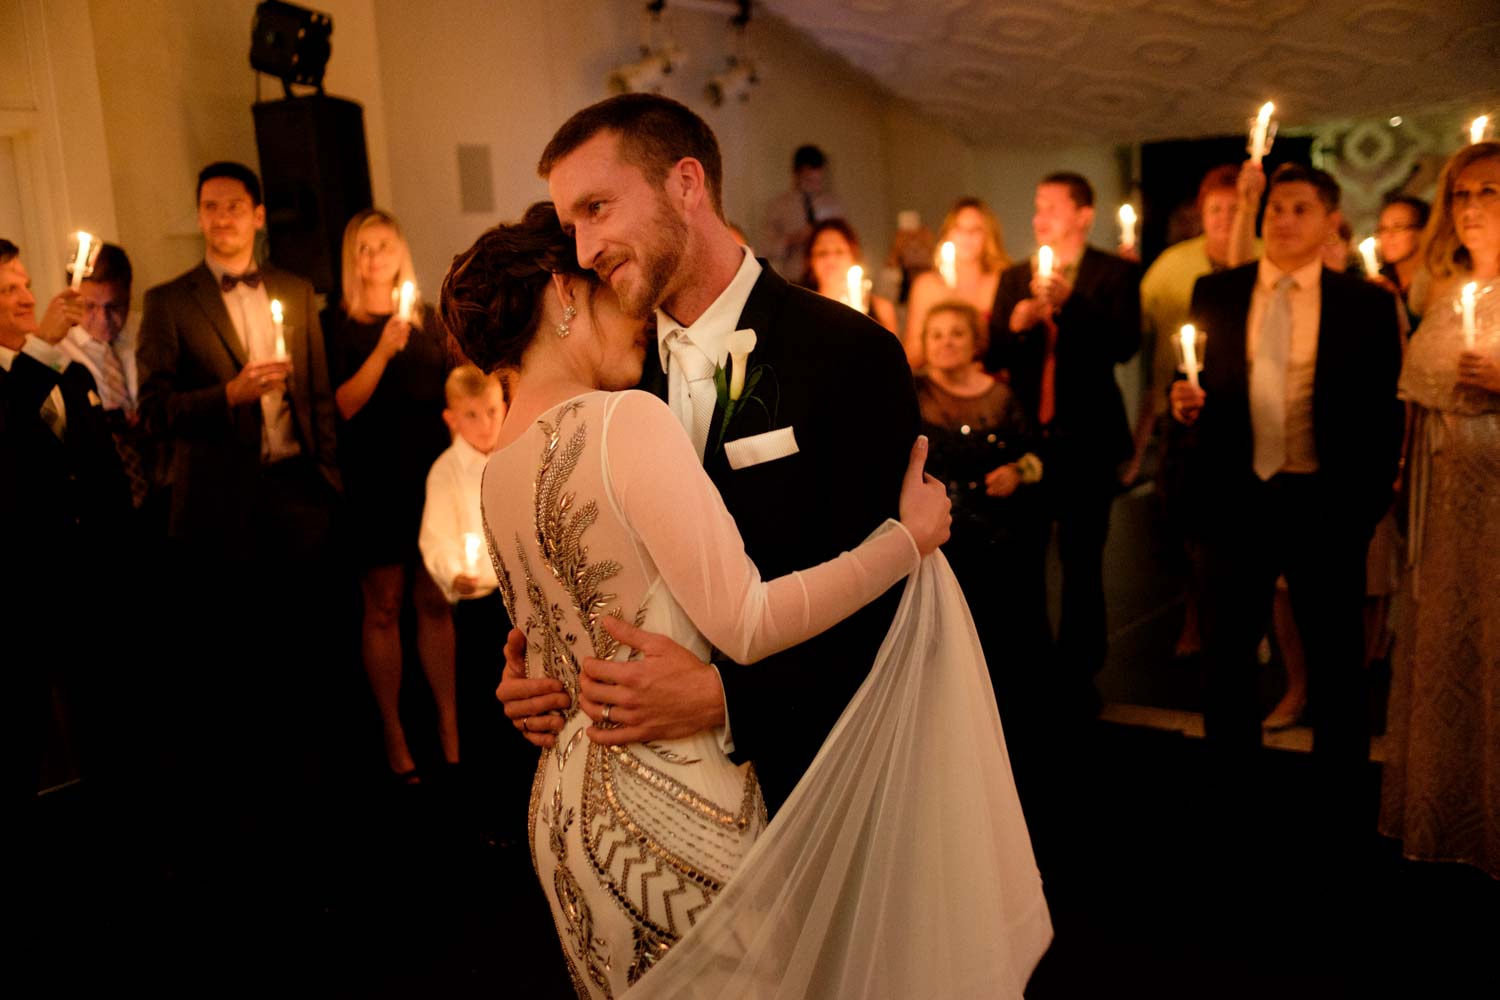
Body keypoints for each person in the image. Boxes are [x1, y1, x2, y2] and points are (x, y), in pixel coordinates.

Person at [491, 95, 1049, 996]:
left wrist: (724, 696)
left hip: (833, 786)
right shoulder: (613, 386)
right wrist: (542, 674)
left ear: (686, 184)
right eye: (569, 224)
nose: (584, 250)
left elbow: (895, 614)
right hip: (661, 829)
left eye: (598, 209)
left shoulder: (848, 353)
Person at [1169, 163, 1403, 840]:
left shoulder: (1362, 304)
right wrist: (1181, 405)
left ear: (1331, 220)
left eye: (1302, 208)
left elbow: (1383, 413)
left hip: (1322, 501)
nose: (1284, 219)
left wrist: (1363, 506)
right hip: (1234, 499)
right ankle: (1232, 798)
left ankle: (1338, 809)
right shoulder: (1217, 290)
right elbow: (1187, 387)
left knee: (1335, 661)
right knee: (1227, 656)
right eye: (1276, 206)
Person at [136, 161, 342, 882]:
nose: (220, 217)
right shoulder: (169, 302)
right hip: (220, 511)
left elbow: (316, 396)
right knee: (236, 671)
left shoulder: (293, 291)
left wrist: (330, 482)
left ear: (257, 215)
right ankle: (250, 830)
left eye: (233, 206)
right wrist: (227, 392)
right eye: (208, 207)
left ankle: (318, 809)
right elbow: (153, 411)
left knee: (307, 662)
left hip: (298, 495)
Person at [1380, 140, 1500, 880]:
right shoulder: (1439, 287)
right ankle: (1449, 808)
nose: (1472, 208)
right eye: (1461, 194)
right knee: (1448, 651)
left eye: (1489, 191)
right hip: (1443, 507)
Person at [987, 172, 1140, 717]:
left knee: (1082, 561)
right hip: (1027, 436)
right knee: (1024, 561)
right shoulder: (1014, 276)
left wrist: (1073, 305)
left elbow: (1125, 345)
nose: (1038, 217)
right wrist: (1017, 321)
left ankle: (1080, 672)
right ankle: (1029, 667)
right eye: (1036, 205)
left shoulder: (1114, 273)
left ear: (1083, 214)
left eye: (1050, 206)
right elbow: (995, 353)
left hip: (1087, 439)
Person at [325, 208, 454, 783]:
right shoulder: (338, 324)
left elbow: (452, 389)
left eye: (384, 245)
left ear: (401, 251)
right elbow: (343, 406)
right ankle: (393, 732)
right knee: (383, 605)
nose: (375, 257)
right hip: (375, 482)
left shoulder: (428, 319)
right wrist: (382, 349)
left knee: (435, 600)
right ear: (353, 261)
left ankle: (451, 727)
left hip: (429, 479)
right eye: (364, 248)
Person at [0, 239, 129, 807]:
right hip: (22, 590)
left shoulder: (69, 372)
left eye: (25, 284)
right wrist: (42, 348)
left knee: (107, 720)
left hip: (90, 580)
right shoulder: (32, 370)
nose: (26, 297)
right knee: (23, 735)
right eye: (7, 290)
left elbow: (104, 476)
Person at [912, 300, 1048, 761]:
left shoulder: (1003, 395)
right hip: (941, 536)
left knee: (1004, 634)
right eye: (937, 334)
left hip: (1000, 534)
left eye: (957, 333)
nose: (947, 342)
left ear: (976, 343)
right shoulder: (912, 392)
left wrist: (1017, 472)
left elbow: (1038, 457)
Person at [1131, 165, 1241, 657]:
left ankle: (1246, 627)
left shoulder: (1262, 259)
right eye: (1215, 209)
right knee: (1191, 531)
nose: (1224, 218)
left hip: (1241, 420)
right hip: (1182, 418)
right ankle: (1194, 621)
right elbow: (1136, 329)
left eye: (1235, 209)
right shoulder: (1173, 265)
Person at [417, 364, 519, 833]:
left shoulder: (517, 454)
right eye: (472, 415)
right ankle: (488, 810)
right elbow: (434, 537)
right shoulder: (445, 472)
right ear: (450, 418)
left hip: (518, 600)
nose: (486, 424)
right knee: (483, 698)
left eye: (493, 411)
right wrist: (450, 572)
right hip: (479, 605)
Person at [56, 243, 156, 513]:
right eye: (90, 307)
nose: (103, 320)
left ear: (128, 295)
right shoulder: (57, 350)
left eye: (114, 307)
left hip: (162, 481)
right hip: (100, 498)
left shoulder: (149, 332)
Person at [904, 197, 1008, 369]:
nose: (966, 236)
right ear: (947, 234)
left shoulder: (1002, 281)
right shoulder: (927, 285)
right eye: (959, 229)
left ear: (988, 236)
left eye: (975, 230)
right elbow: (912, 358)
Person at [761, 144, 843, 281]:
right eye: (808, 180)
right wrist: (793, 239)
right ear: (796, 174)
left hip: (826, 279)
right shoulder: (779, 207)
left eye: (817, 180)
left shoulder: (833, 206)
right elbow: (767, 249)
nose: (813, 186)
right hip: (794, 278)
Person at [802, 217, 897, 333]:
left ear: (853, 257)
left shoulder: (881, 309)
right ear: (810, 261)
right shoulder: (800, 308)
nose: (831, 259)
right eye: (822, 253)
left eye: (839, 251)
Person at [1375, 194, 1430, 329]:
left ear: (1423, 232)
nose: (1389, 235)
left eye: (1398, 226)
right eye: (1383, 228)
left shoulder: (1437, 283)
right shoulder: (1381, 281)